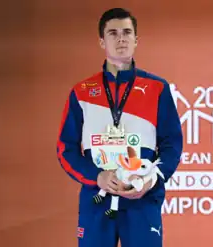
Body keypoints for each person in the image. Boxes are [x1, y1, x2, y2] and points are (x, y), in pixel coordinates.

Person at [56, 7, 183, 247]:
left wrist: (151, 178)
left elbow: (172, 144)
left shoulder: (157, 88)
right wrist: (98, 177)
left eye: (127, 32)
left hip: (142, 197)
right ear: (102, 41)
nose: (121, 38)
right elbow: (66, 149)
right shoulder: (81, 92)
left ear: (136, 39)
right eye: (113, 33)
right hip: (97, 198)